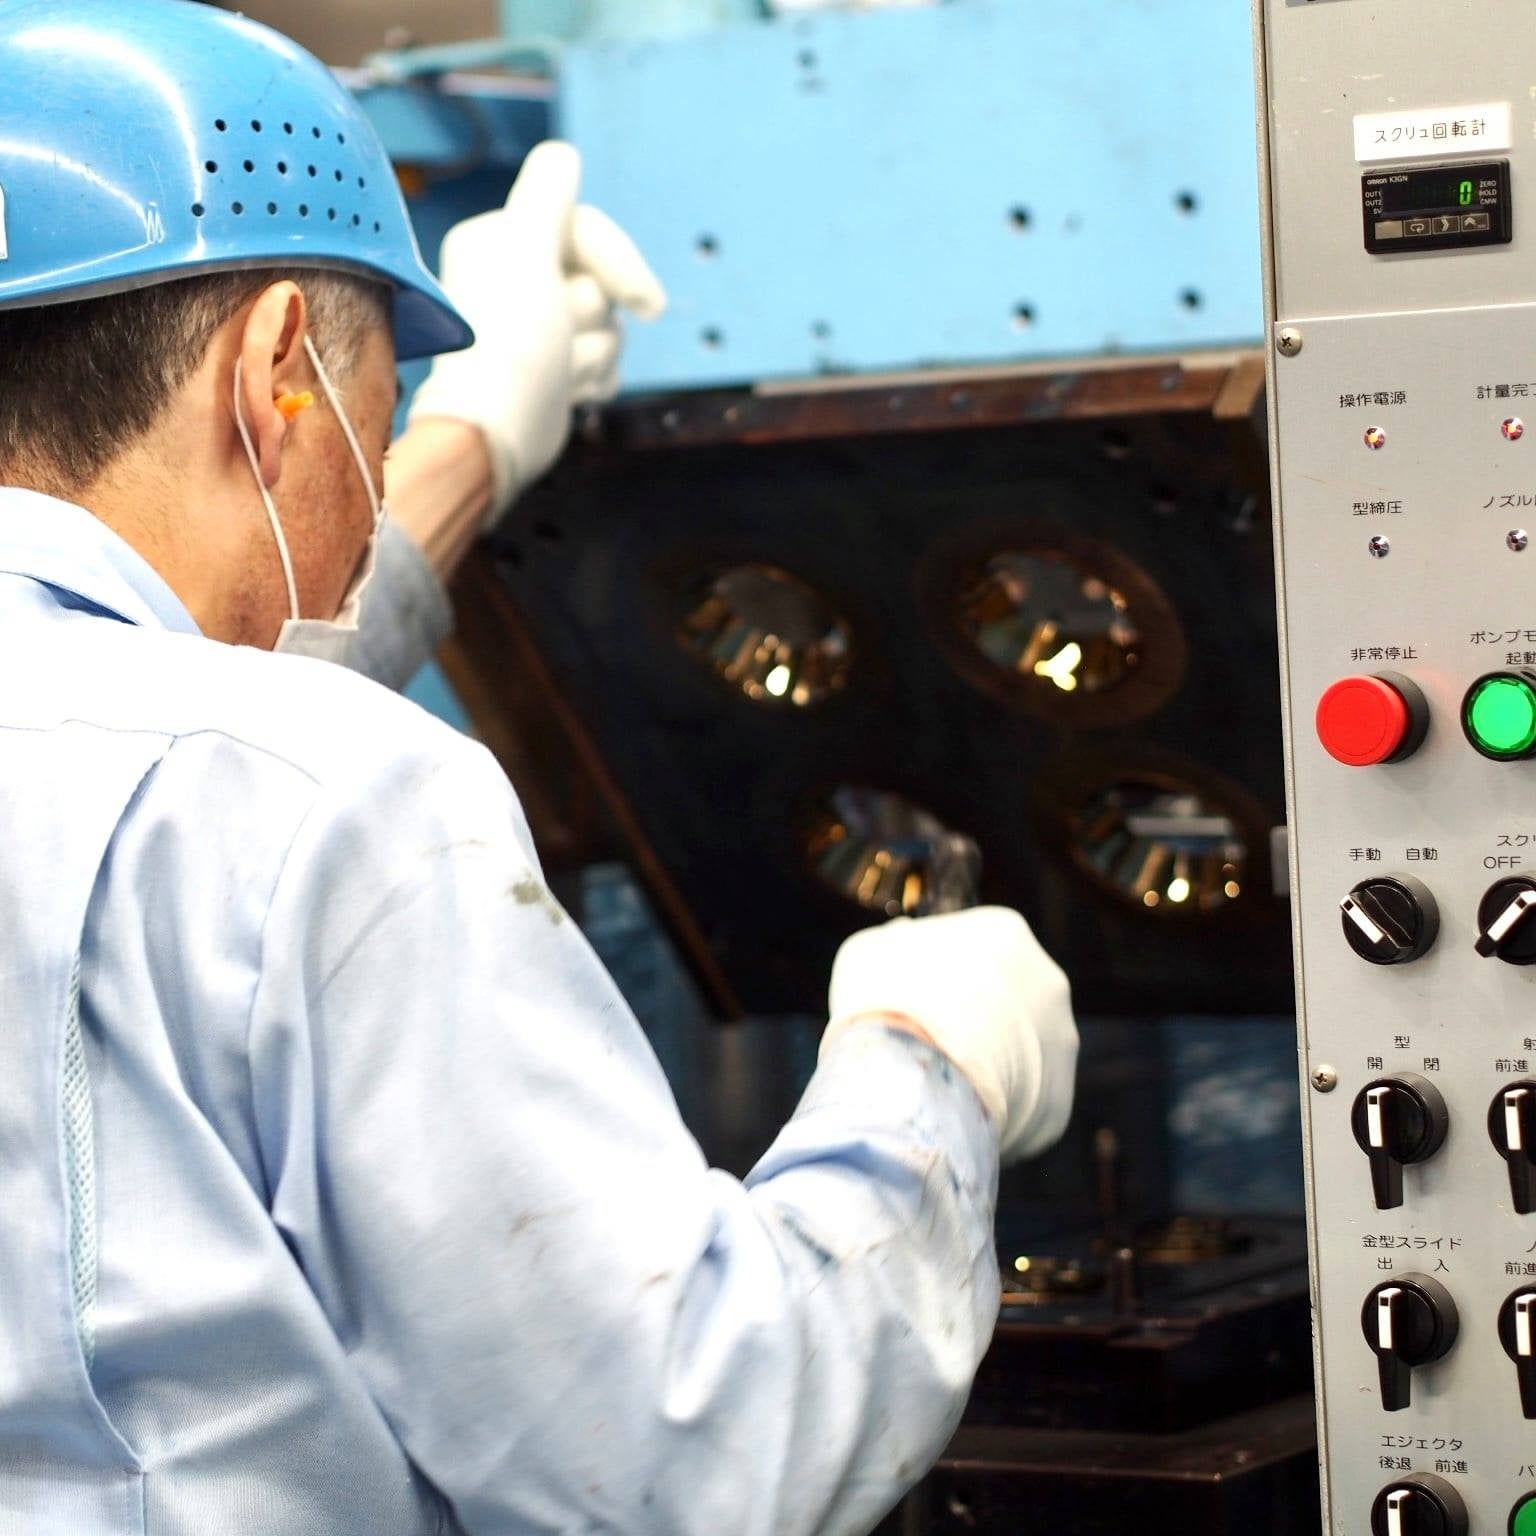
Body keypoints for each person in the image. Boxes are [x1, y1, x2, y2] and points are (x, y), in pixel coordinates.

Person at [0, 4, 1079, 1534]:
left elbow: (149, 751)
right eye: (375, 436)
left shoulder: (210, 779)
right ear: (274, 363)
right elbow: (693, 1459)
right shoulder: (339, 800)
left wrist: (478, 443)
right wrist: (934, 1074)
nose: (368, 515)